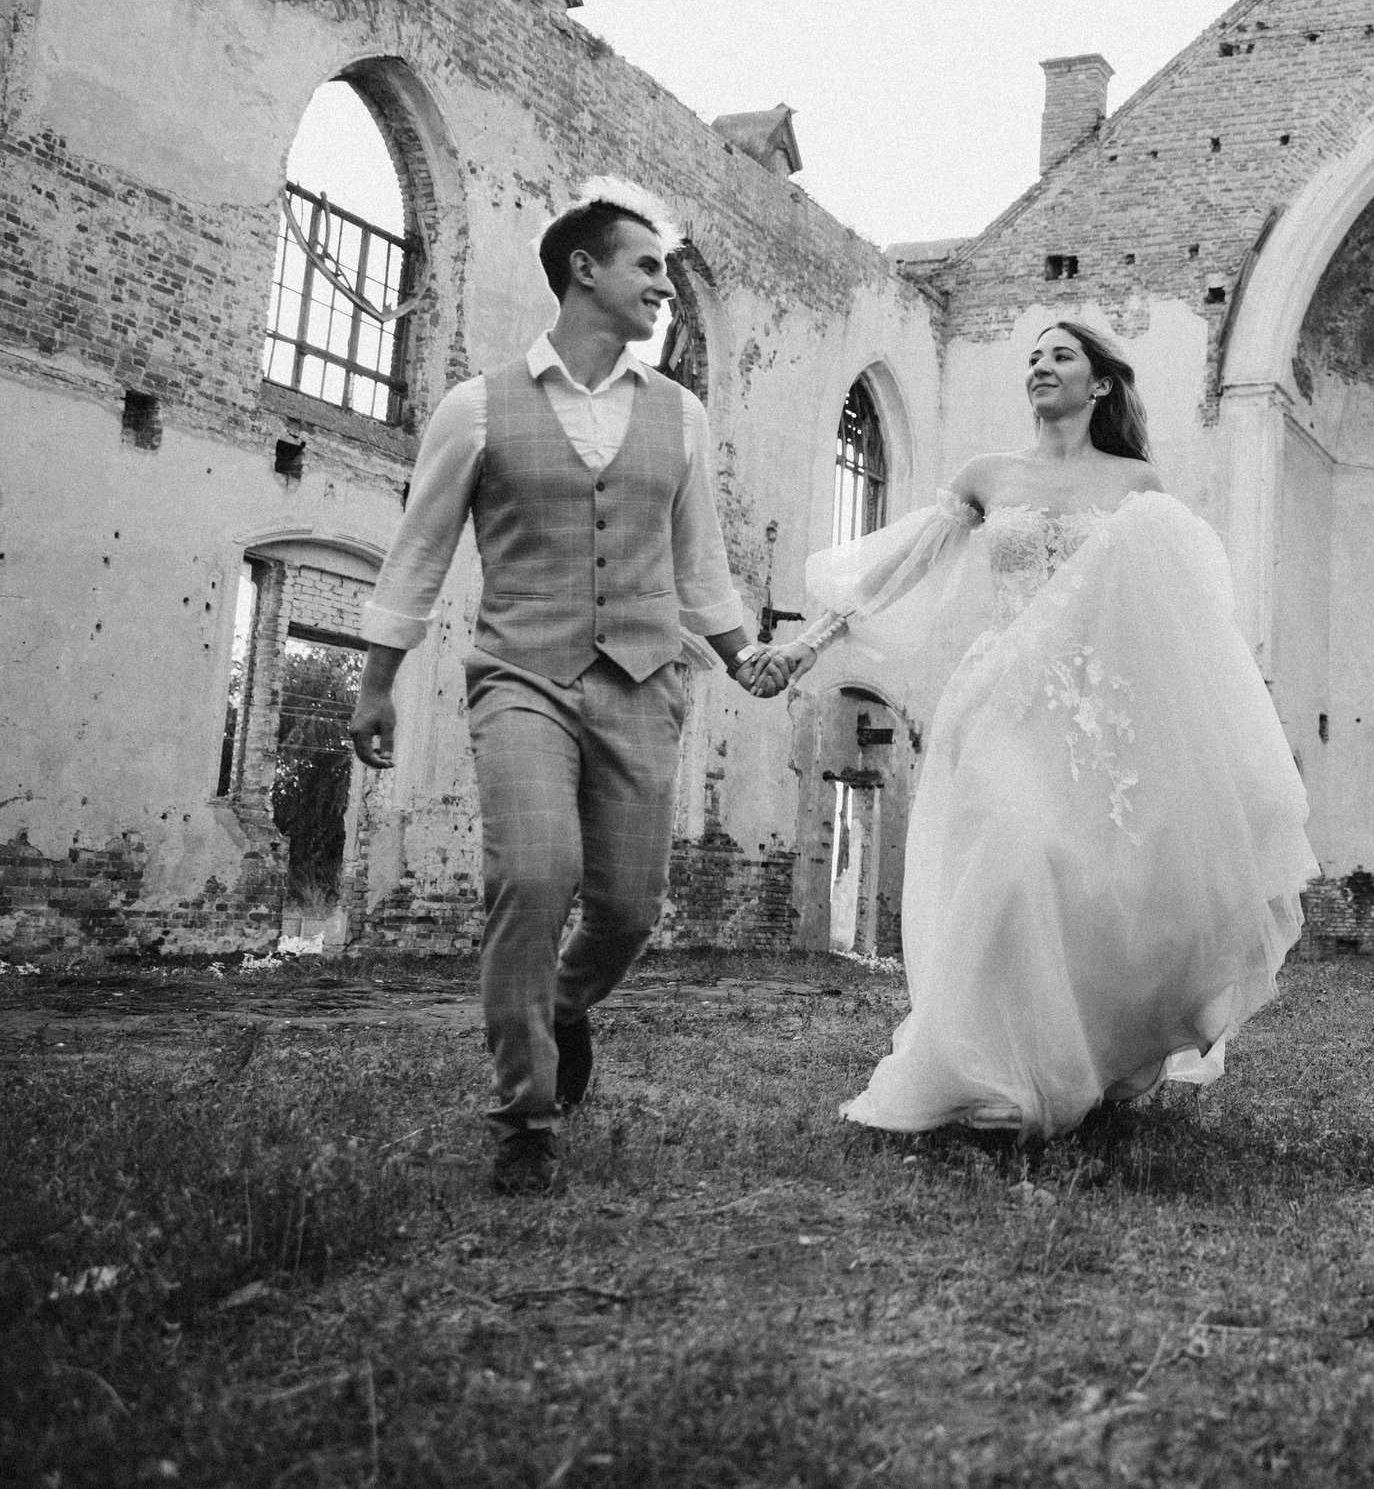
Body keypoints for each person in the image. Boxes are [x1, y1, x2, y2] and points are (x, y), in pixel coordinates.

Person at [347, 179, 792, 1196]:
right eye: (647, 268)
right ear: (582, 270)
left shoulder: (679, 415)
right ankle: (525, 1119)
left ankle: (557, 1005)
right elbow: (417, 554)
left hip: (643, 680)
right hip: (521, 677)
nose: (662, 290)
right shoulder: (478, 405)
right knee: (533, 878)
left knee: (630, 909)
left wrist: (739, 656)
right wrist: (376, 684)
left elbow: (702, 563)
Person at [768, 320, 1314, 1138]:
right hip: (1001, 701)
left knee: (1088, 885)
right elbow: (905, 564)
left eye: (1061, 356)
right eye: (1032, 357)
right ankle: (989, 1072)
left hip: (1092, 710)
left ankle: (1078, 1054)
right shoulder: (988, 475)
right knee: (1012, 855)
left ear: (1099, 384)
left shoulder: (1137, 485)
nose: (1040, 367)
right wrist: (809, 642)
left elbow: (1177, 610)